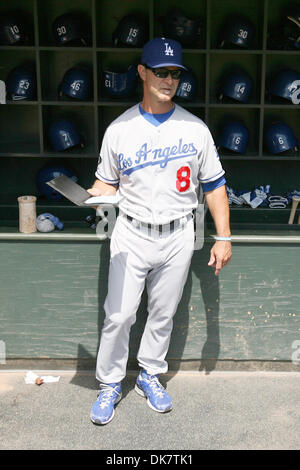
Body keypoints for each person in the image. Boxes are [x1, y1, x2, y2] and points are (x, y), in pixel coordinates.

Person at [88, 37, 232, 425]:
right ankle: (110, 382)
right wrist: (93, 194)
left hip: (178, 232)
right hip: (131, 232)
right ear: (142, 72)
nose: (168, 80)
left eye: (174, 73)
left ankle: (149, 374)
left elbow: (214, 185)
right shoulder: (120, 129)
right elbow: (108, 184)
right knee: (118, 315)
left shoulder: (195, 128)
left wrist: (224, 236)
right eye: (160, 72)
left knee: (163, 313)